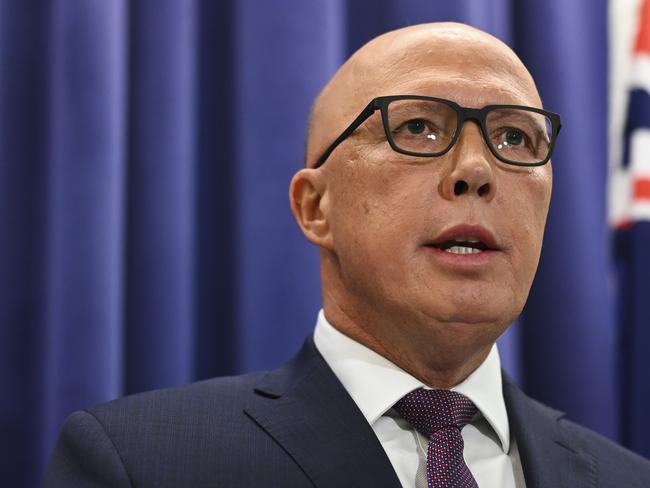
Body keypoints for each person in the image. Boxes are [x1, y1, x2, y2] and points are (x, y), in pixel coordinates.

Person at [45, 22, 650, 487]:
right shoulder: (142, 463)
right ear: (316, 207)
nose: (476, 169)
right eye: (417, 128)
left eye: (515, 137)